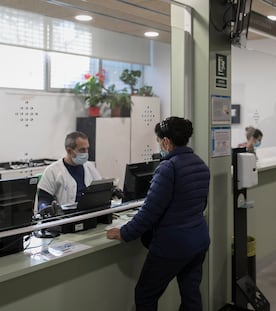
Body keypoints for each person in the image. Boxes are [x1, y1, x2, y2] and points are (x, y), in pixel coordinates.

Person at [106, 116, 210, 311]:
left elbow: (150, 212)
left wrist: (124, 233)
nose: (158, 145)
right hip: (199, 240)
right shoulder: (200, 164)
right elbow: (200, 204)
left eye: (158, 140)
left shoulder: (168, 168)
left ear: (166, 141)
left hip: (173, 246)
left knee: (145, 295)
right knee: (191, 295)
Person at [37, 131, 101, 211]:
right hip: (66, 218)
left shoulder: (89, 167)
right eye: (82, 150)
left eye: (87, 149)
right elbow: (43, 199)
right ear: (69, 151)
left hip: (89, 214)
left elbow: (101, 189)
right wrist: (44, 207)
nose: (86, 153)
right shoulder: (52, 171)